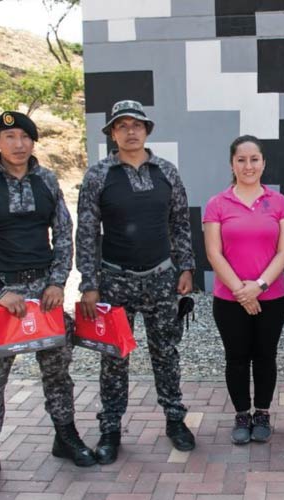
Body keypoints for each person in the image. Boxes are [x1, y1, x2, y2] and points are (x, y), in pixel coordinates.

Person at [0, 111, 95, 495]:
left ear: (33, 142)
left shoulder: (47, 180)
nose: (18, 144)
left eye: (25, 137)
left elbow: (65, 233)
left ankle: (66, 437)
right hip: (2, 299)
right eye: (10, 136)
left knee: (57, 371)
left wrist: (58, 282)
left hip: (44, 295)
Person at [76, 100, 196, 463]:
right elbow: (86, 232)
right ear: (112, 133)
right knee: (114, 357)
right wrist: (89, 283)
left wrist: (186, 267)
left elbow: (180, 223)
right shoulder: (98, 175)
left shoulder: (167, 172)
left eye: (137, 125)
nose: (130, 131)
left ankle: (175, 420)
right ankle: (111, 428)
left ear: (147, 130)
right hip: (114, 281)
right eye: (122, 125)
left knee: (166, 353)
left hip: (161, 278)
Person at [203, 135, 284, 444]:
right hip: (229, 299)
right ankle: (242, 414)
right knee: (237, 358)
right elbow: (214, 253)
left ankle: (263, 413)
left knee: (265, 356)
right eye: (241, 160)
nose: (248, 165)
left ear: (263, 163)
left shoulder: (279, 202)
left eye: (254, 159)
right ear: (232, 164)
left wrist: (259, 286)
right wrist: (242, 291)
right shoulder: (217, 204)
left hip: (273, 297)